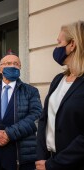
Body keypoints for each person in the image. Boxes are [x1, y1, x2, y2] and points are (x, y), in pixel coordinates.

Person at [0, 52, 42, 170]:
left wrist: (10, 134)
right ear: (0, 69)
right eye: (8, 63)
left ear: (20, 67)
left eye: (16, 64)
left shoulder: (31, 91)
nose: (12, 66)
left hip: (20, 157)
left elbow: (36, 116)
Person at [35, 21, 84, 170]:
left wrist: (53, 165)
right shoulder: (58, 79)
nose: (56, 48)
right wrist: (41, 157)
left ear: (72, 44)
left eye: (59, 42)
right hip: (48, 159)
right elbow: (44, 119)